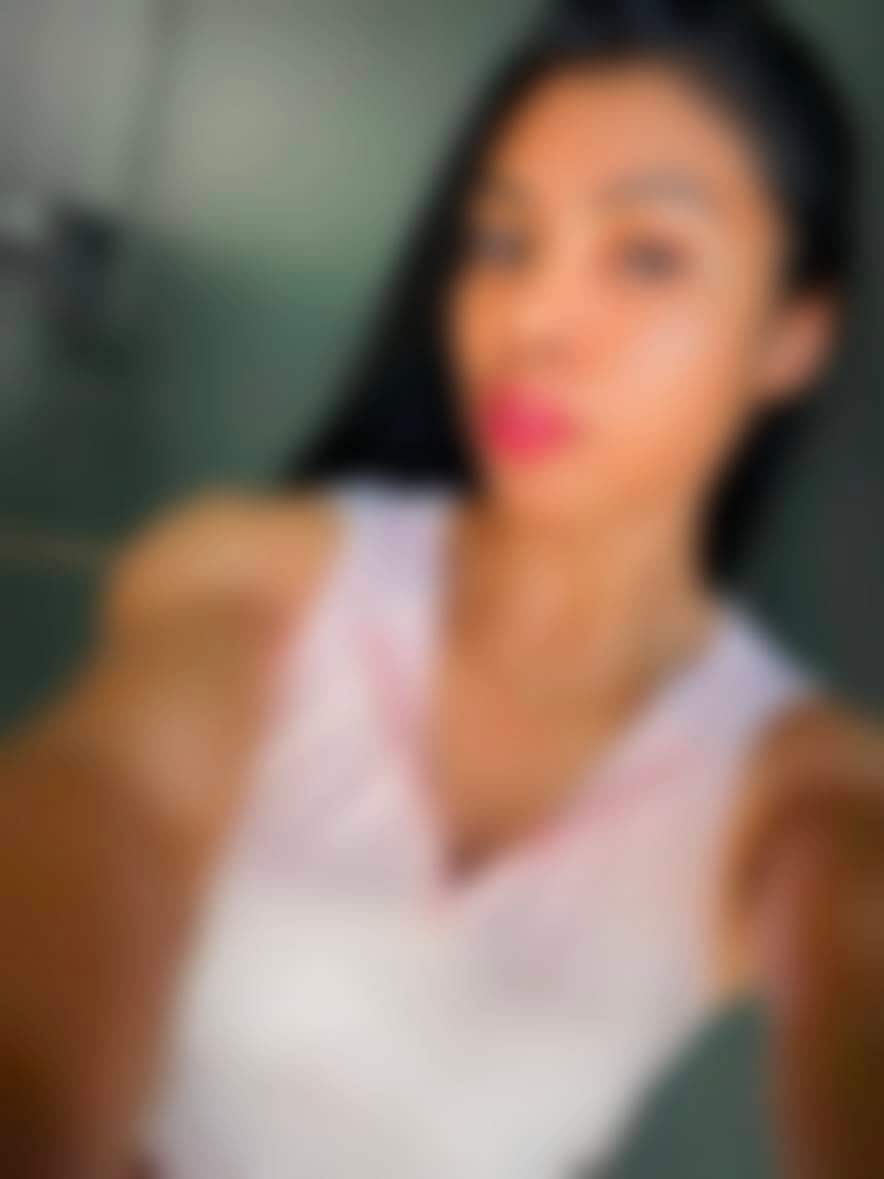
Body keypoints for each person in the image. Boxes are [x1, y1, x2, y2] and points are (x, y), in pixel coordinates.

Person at [0, 1, 882, 1176]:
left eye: (646, 256)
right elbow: (112, 803)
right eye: (502, 244)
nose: (531, 321)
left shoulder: (796, 780)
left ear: (791, 337)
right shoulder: (257, 578)